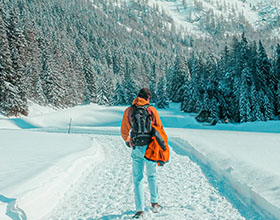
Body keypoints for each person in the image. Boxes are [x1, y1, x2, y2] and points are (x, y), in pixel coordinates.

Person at [121, 88, 166, 219]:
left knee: (137, 179)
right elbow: (160, 129)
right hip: (151, 148)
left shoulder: (129, 111)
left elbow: (124, 131)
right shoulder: (152, 111)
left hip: (137, 148)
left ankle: (139, 210)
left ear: (137, 97)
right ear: (148, 98)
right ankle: (155, 203)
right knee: (152, 176)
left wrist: (128, 141)